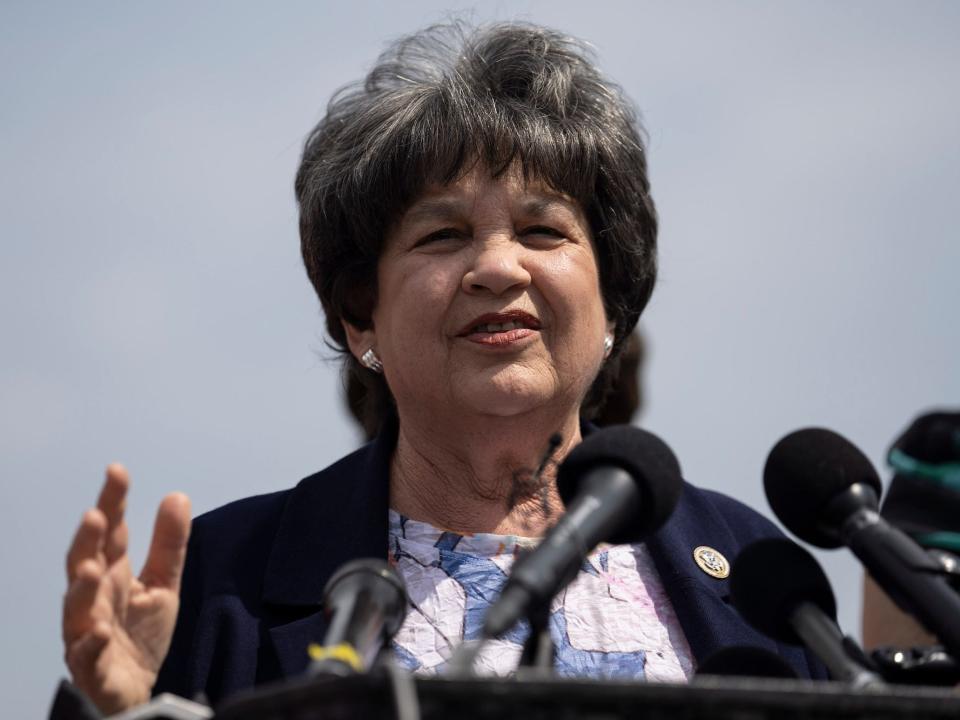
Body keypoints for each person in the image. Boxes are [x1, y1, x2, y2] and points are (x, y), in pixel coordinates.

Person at [61, 21, 826, 715]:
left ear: (613, 302)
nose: (497, 267)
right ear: (362, 313)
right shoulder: (221, 582)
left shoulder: (753, 574)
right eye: (441, 235)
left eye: (541, 229)